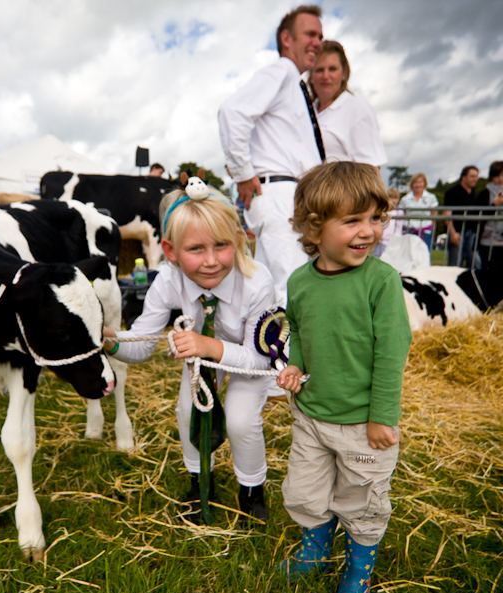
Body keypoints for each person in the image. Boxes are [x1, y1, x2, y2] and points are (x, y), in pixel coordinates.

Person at [276, 162, 412, 593]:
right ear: (314, 227)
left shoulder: (381, 282)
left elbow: (392, 354)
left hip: (362, 425)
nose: (368, 231)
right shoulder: (299, 282)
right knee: (305, 492)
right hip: (312, 415)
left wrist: (382, 416)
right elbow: (300, 334)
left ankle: (358, 572)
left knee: (362, 501)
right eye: (353, 220)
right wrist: (294, 365)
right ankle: (316, 545)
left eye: (375, 218)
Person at [103, 179, 275, 523]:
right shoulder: (167, 280)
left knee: (241, 420)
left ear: (238, 240)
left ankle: (252, 489)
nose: (211, 261)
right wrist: (111, 341)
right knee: (186, 410)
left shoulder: (258, 282)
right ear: (170, 251)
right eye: (195, 249)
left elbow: (259, 360)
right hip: (202, 356)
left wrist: (209, 346)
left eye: (222, 245)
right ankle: (199, 483)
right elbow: (142, 344)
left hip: (246, 357)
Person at [218, 5, 324, 306]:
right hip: (279, 193)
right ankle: (288, 354)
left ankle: (266, 352)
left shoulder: (294, 83)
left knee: (271, 288)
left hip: (286, 193)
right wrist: (243, 173)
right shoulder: (281, 71)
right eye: (310, 34)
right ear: (286, 39)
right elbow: (232, 112)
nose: (317, 42)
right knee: (291, 289)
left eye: (320, 36)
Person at [309, 40, 387, 169]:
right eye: (319, 70)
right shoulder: (306, 111)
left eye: (332, 69)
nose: (325, 75)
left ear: (344, 73)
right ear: (311, 75)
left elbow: (371, 169)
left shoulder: (357, 108)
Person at [443, 166, 480, 268]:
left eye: (476, 176)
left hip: (471, 232)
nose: (475, 179)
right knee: (455, 263)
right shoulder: (452, 192)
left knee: (474, 261)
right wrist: (452, 233)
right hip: (457, 232)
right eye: (472, 176)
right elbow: (446, 213)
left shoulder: (473, 193)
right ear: (463, 177)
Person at [399, 173, 438, 251]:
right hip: (409, 230)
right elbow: (402, 213)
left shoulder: (431, 197)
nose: (418, 185)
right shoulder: (405, 199)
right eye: (415, 182)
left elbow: (434, 214)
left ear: (424, 183)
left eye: (420, 182)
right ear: (412, 184)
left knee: (425, 254)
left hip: (425, 230)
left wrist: (431, 228)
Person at [477, 160, 503, 271]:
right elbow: (478, 215)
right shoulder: (485, 193)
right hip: (488, 240)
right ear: (492, 176)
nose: (501, 179)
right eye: (497, 176)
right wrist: (494, 206)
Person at [373, 188, 404, 257]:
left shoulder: (399, 212)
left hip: (394, 242)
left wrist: (398, 239)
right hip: (381, 241)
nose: (393, 200)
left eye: (395, 198)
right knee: (378, 258)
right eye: (391, 198)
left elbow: (399, 227)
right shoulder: (382, 211)